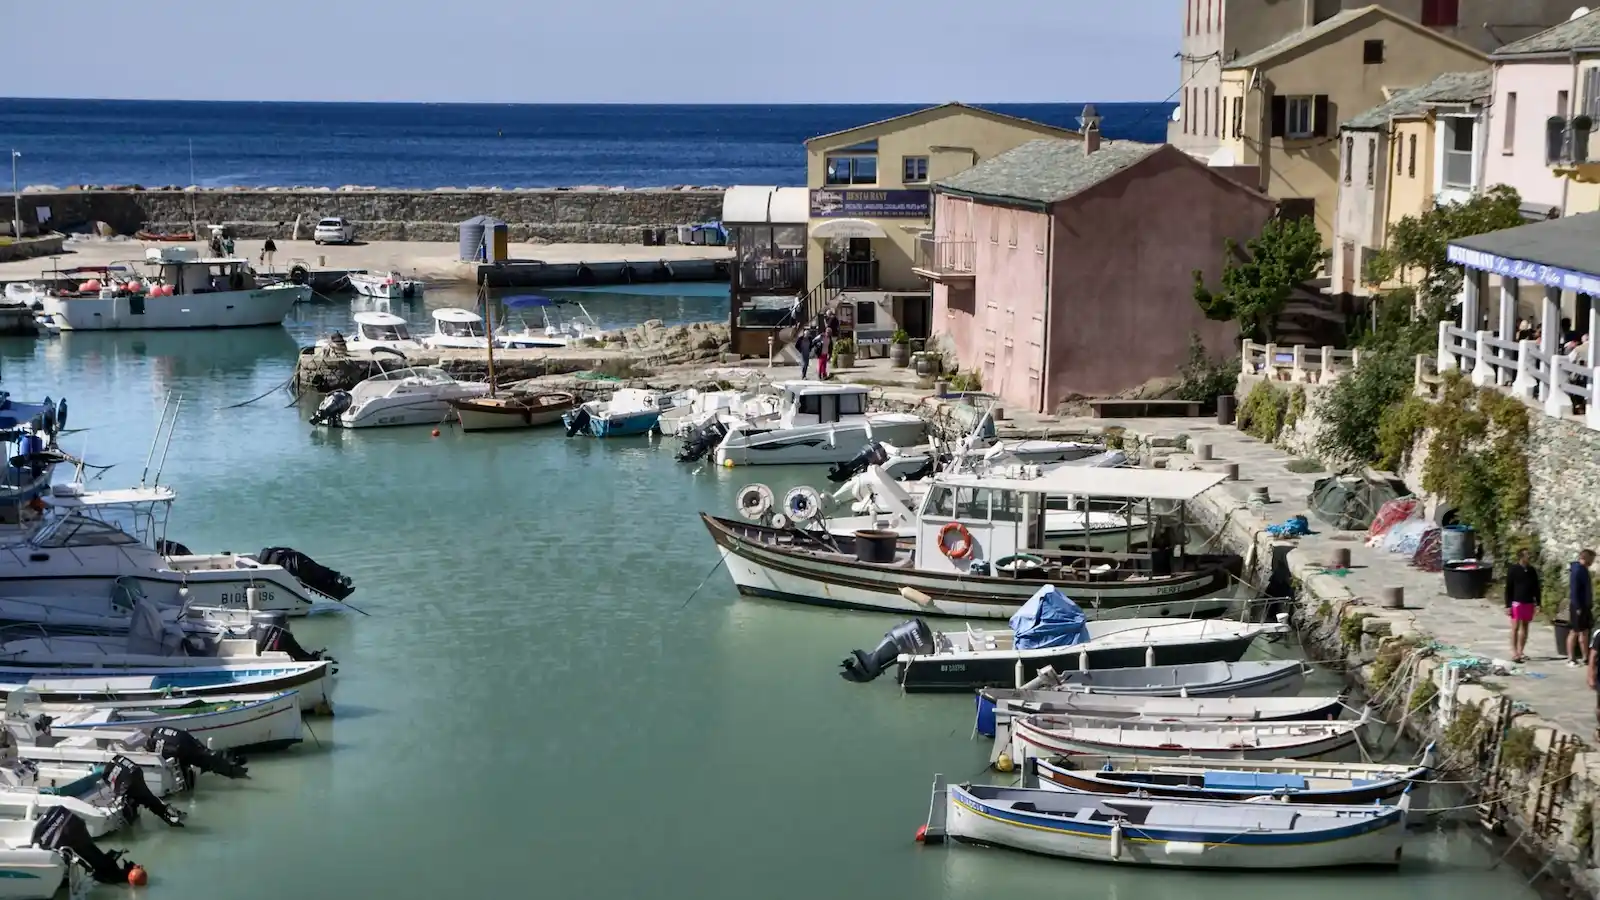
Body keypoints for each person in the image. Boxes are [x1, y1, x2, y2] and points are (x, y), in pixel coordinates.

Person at [1505, 548, 1540, 663]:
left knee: (1525, 627)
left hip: (1528, 601)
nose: (1529, 557)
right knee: (1515, 627)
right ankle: (1514, 652)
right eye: (1527, 555)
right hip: (1516, 602)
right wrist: (1508, 605)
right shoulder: (1513, 570)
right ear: (1521, 557)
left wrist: (1538, 603)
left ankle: (1521, 651)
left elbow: (1536, 587)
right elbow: (1509, 588)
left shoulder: (1532, 570)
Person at [1572, 550, 1596, 666]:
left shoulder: (1583, 570)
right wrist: (1577, 606)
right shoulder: (1577, 570)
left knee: (1584, 631)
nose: (1593, 561)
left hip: (1584, 605)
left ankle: (1585, 656)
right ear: (1587, 558)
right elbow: (1574, 590)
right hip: (1578, 606)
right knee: (1576, 631)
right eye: (1592, 559)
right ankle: (1573, 657)